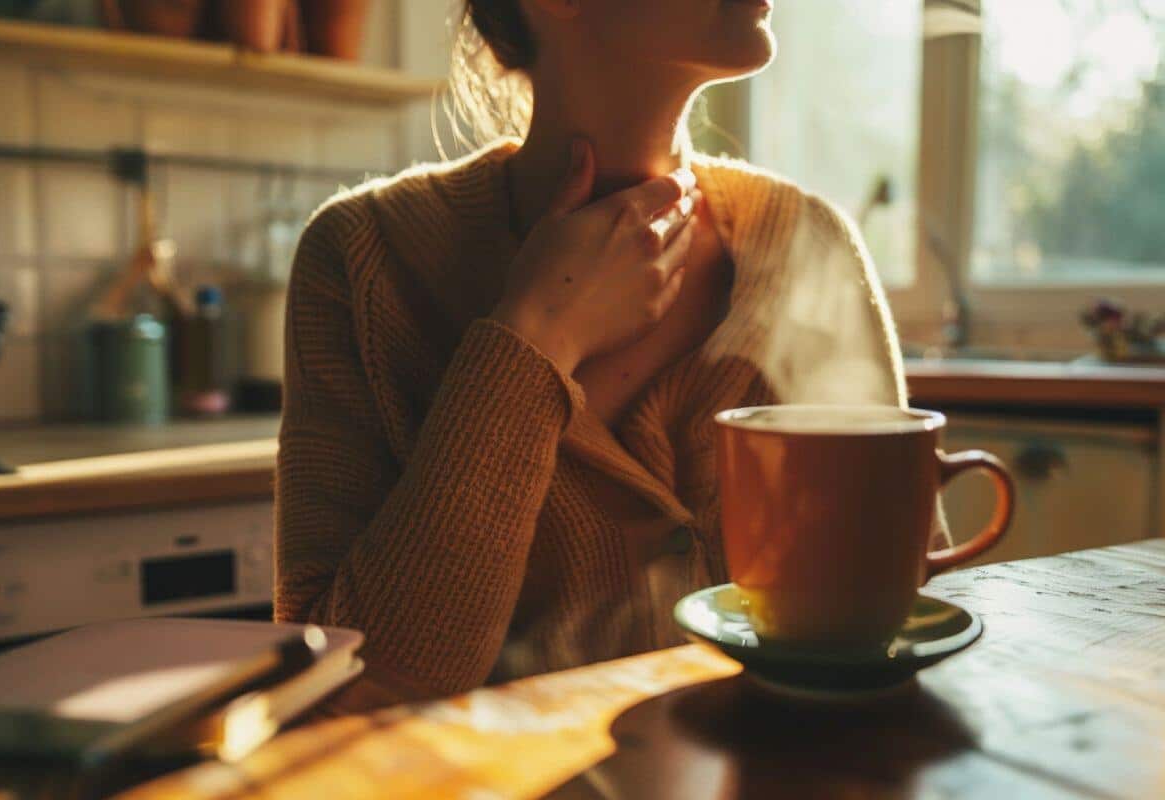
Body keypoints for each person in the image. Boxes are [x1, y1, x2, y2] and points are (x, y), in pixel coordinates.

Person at [274, 0, 908, 704]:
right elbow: (347, 691)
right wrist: (535, 336)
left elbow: (900, 611)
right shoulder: (364, 258)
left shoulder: (806, 243)